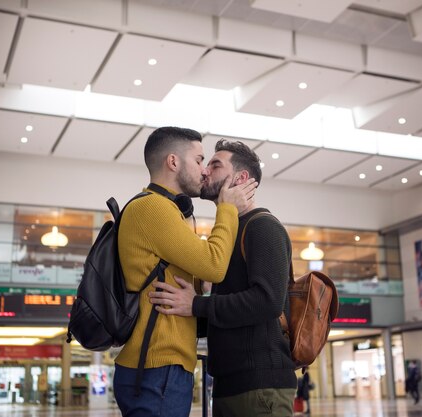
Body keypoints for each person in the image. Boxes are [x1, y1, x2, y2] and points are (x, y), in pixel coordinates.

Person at [113, 127, 257, 417]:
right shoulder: (154, 209)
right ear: (173, 162)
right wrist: (227, 210)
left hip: (158, 367)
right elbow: (214, 266)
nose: (204, 171)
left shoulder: (165, 210)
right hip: (157, 367)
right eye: (199, 160)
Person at [148, 139, 296, 417]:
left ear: (240, 178)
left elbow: (267, 302)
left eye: (215, 165)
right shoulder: (230, 231)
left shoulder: (263, 227)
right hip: (232, 384)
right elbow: (229, 313)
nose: (205, 171)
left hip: (261, 386)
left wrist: (196, 305)